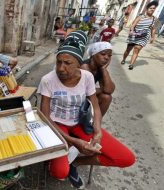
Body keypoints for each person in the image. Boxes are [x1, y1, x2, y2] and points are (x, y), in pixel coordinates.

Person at [38, 30, 135, 189]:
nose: (61, 68)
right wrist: (73, 141)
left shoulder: (87, 77)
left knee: (125, 158)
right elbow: (45, 116)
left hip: (80, 123)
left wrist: (98, 130)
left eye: (67, 63)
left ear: (78, 64)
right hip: (57, 125)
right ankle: (62, 159)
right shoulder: (48, 80)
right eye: (58, 62)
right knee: (60, 172)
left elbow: (96, 106)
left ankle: (75, 162)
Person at [121, 1, 158, 70]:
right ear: (147, 9)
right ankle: (123, 59)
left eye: (154, 8)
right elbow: (133, 25)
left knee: (137, 49)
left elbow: (153, 29)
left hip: (144, 37)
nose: (152, 9)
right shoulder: (140, 17)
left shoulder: (154, 19)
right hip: (134, 35)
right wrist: (132, 31)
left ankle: (131, 64)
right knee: (128, 50)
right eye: (151, 8)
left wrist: (153, 38)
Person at [81, 42, 115, 116]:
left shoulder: (99, 67)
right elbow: (85, 92)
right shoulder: (85, 66)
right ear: (93, 54)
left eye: (109, 56)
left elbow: (109, 90)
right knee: (104, 95)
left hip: (84, 97)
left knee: (106, 98)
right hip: (74, 98)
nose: (106, 58)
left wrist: (104, 69)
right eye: (103, 54)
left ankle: (94, 123)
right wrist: (102, 89)